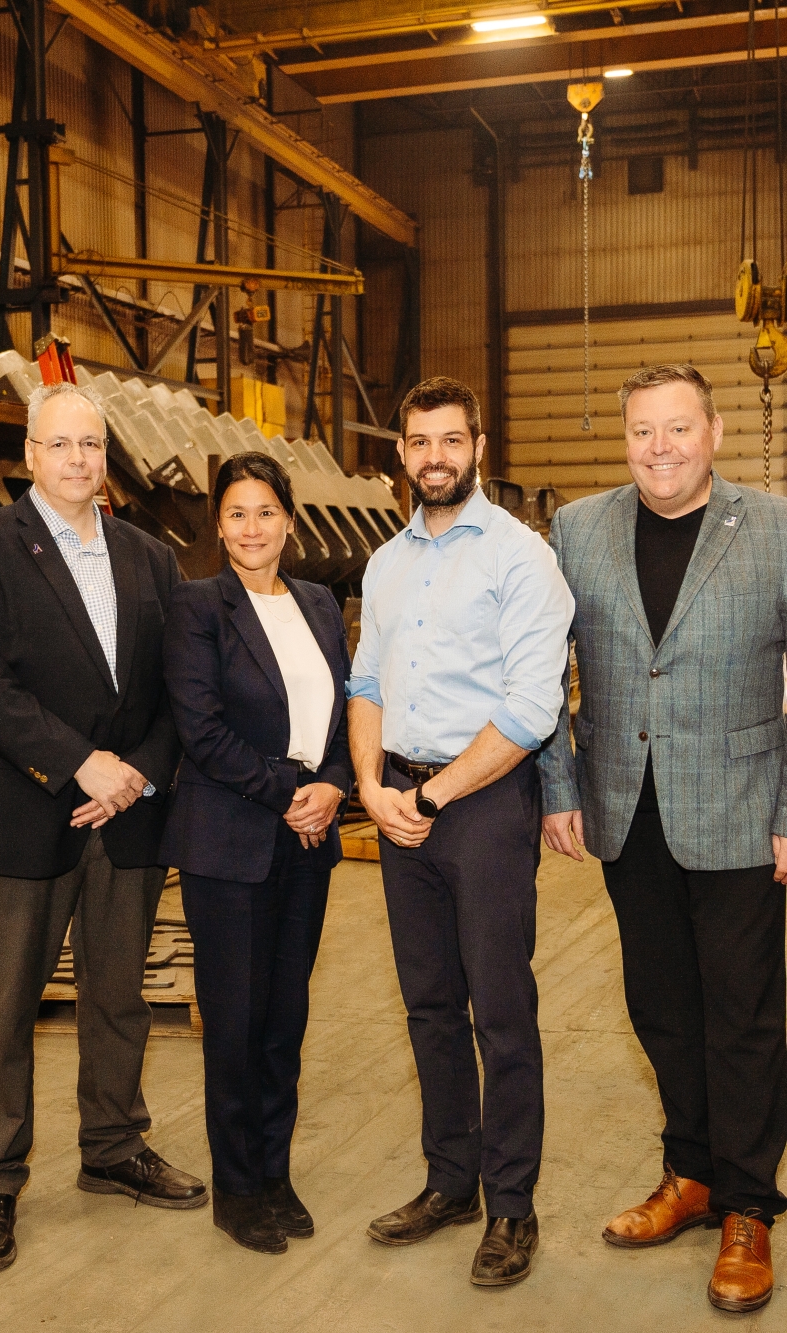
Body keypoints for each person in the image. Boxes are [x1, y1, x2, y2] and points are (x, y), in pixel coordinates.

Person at [0, 381, 206, 1274]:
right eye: (62, 445)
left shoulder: (149, 556)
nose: (80, 460)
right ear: (29, 453)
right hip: (23, 810)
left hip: (123, 813)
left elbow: (174, 686)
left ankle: (114, 1143)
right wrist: (79, 761)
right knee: (6, 1007)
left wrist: (138, 776)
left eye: (92, 444)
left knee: (118, 993)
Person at [539, 363, 787, 1313]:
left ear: (713, 433)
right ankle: (690, 1172)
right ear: (625, 438)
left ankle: (751, 1205)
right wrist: (560, 783)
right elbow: (542, 670)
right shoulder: (577, 529)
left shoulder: (770, 528)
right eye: (644, 431)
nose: (660, 448)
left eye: (678, 429)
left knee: (742, 1013)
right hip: (624, 808)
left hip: (740, 806)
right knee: (661, 1005)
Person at [347, 376, 574, 1287]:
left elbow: (531, 707)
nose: (434, 456)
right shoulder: (385, 561)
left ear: (479, 447)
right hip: (399, 801)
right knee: (429, 1003)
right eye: (418, 441)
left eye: (451, 439)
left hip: (478, 807)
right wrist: (369, 783)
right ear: (400, 453)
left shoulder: (522, 559)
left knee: (500, 1008)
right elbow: (367, 682)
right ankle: (451, 1179)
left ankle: (511, 1205)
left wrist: (434, 796)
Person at [160, 452, 352, 1256]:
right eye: (236, 513)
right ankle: (237, 1186)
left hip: (308, 836)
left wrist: (335, 783)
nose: (251, 528)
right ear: (219, 523)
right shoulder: (197, 605)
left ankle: (274, 1170)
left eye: (266, 512)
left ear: (289, 520)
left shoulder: (316, 600)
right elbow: (200, 729)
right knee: (235, 1022)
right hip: (233, 837)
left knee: (284, 1019)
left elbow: (347, 711)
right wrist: (290, 794)